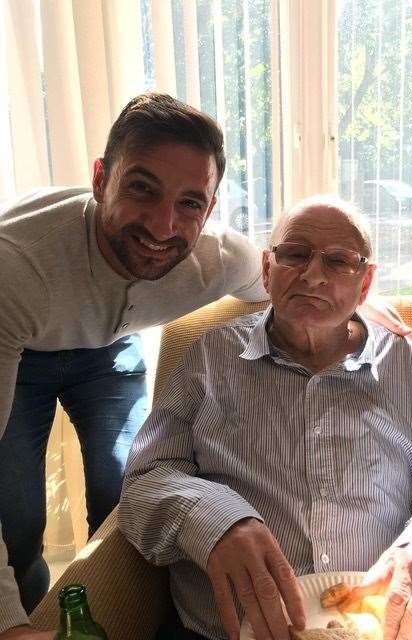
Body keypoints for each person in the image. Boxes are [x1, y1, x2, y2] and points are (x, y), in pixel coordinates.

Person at [119, 195, 412, 640]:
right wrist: (211, 517)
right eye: (295, 254)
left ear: (365, 286)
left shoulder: (401, 360)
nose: (313, 275)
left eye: (339, 262)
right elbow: (144, 481)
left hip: (379, 624)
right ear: (268, 270)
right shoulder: (211, 356)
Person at [0, 93, 270, 639]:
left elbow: (284, 288)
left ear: (211, 210)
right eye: (142, 188)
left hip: (109, 350)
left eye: (190, 203)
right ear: (100, 179)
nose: (163, 225)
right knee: (18, 514)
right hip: (19, 346)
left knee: (126, 489)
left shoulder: (223, 259)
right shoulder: (15, 268)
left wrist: (359, 300)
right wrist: (7, 623)